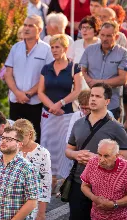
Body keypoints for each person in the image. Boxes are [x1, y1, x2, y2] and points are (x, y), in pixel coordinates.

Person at [66, 83, 127, 220]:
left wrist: (98, 159)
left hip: (106, 184)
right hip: (80, 181)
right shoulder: (78, 123)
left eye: (98, 96)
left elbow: (126, 158)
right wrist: (75, 154)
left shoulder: (116, 127)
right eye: (91, 96)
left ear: (107, 101)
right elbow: (68, 150)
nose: (93, 99)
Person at [38, 34, 82, 191]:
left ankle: (64, 182)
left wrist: (60, 104)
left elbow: (77, 90)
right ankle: (48, 180)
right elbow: (40, 91)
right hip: (49, 114)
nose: (54, 50)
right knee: (47, 145)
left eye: (57, 47)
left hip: (66, 114)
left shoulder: (74, 67)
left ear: (65, 48)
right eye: (52, 47)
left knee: (65, 147)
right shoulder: (46, 67)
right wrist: (52, 107)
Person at [4, 15, 54, 143]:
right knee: (15, 138)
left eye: (31, 26)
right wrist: (18, 93)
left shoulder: (47, 50)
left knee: (33, 139)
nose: (26, 28)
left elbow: (47, 76)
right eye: (25, 25)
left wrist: (29, 93)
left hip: (35, 102)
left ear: (40, 30)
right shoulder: (16, 47)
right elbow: (8, 74)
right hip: (16, 101)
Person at [80, 21, 127, 120]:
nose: (104, 39)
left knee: (109, 134)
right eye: (102, 35)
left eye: (109, 36)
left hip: (111, 105)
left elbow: (123, 79)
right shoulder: (89, 50)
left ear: (116, 37)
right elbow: (81, 70)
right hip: (90, 104)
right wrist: (89, 82)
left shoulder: (124, 54)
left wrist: (97, 83)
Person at [13, 119, 53, 220]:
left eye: (20, 137)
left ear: (30, 134)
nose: (17, 141)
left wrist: (41, 213)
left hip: (33, 202)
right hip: (14, 201)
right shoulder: (13, 149)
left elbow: (45, 184)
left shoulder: (43, 153)